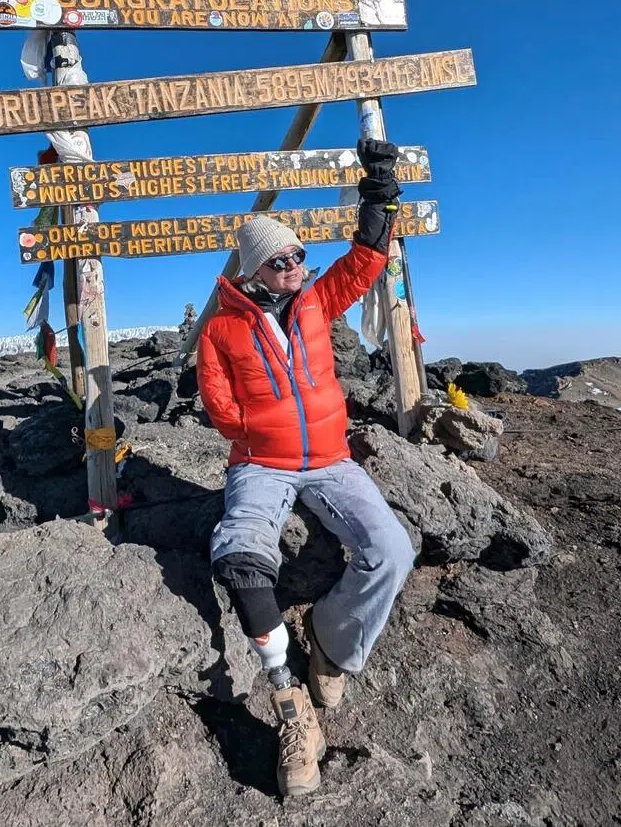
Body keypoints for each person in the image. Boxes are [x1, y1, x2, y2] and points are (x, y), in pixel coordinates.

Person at [196, 139, 417, 798]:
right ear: (256, 268)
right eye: (281, 258)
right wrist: (262, 433)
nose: (295, 264)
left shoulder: (319, 303)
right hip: (261, 463)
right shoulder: (221, 329)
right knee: (241, 556)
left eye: (298, 254)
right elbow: (222, 409)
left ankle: (330, 642)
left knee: (393, 550)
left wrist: (379, 191)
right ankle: (288, 698)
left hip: (331, 460)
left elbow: (367, 258)